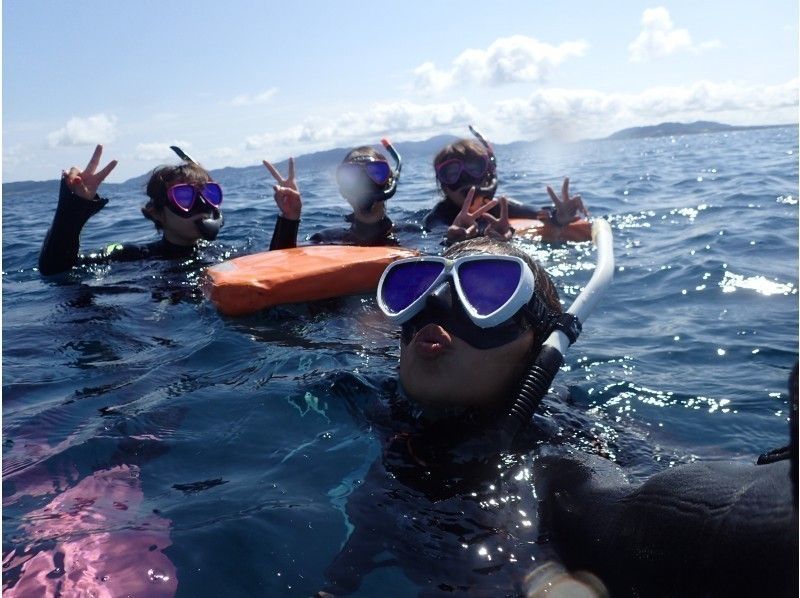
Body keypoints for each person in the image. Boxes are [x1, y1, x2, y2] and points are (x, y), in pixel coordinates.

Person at [38, 145, 224, 276]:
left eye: (209, 194)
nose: (202, 204)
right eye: (184, 196)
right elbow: (55, 270)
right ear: (156, 212)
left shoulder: (223, 255)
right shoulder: (131, 256)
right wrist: (72, 207)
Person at [423, 126, 589, 245]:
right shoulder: (439, 216)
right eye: (452, 173)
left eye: (475, 168)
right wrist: (454, 238)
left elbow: (538, 213)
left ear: (488, 174)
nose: (466, 179)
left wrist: (559, 216)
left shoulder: (500, 207)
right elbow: (437, 235)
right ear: (444, 186)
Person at [263, 142, 401, 250]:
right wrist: (289, 219)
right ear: (344, 192)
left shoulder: (414, 232)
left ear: (389, 183)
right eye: (351, 176)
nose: (364, 184)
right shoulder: (325, 240)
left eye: (376, 172)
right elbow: (280, 270)